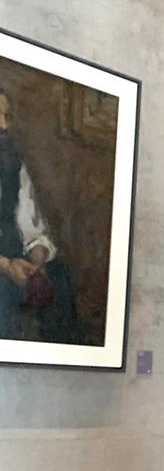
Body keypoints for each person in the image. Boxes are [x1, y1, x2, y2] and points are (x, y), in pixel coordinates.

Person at [0, 88, 84, 344]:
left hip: (15, 256)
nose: (4, 126)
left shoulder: (13, 163)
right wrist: (5, 265)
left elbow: (30, 222)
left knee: (61, 277)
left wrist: (38, 259)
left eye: (7, 116)